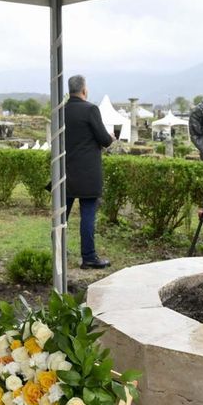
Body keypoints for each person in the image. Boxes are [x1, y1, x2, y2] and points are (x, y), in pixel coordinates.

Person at [64, 74, 114, 268]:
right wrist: (109, 137)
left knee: (61, 217)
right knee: (87, 215)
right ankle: (89, 257)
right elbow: (103, 139)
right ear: (84, 90)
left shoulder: (61, 111)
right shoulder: (90, 109)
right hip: (87, 173)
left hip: (65, 172)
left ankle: (58, 254)